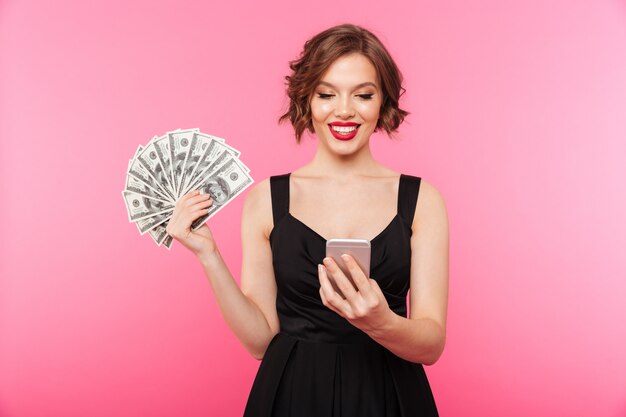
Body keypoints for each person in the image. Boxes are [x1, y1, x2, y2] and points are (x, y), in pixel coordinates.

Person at [166, 23, 449, 417]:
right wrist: (208, 254)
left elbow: (431, 344)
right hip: (292, 394)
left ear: (383, 101)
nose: (344, 110)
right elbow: (260, 342)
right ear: (307, 100)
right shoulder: (267, 198)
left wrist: (381, 322)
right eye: (327, 94)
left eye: (363, 95)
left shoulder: (422, 201)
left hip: (390, 394)